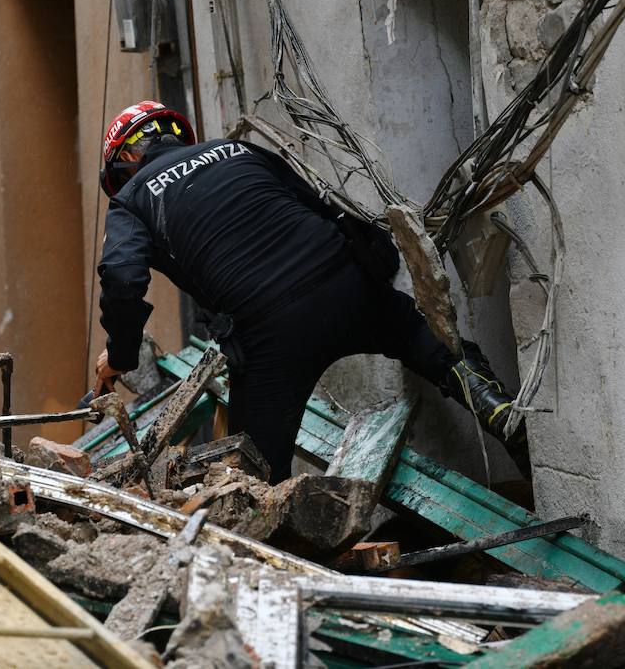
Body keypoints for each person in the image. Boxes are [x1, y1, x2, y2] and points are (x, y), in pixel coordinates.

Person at [93, 100, 529, 481]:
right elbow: (321, 203)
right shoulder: (236, 150)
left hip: (268, 329)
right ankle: (495, 404)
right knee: (434, 347)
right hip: (344, 281)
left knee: (254, 472)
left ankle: (276, 561)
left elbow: (123, 278)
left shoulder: (131, 199)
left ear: (124, 162)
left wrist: (121, 356)